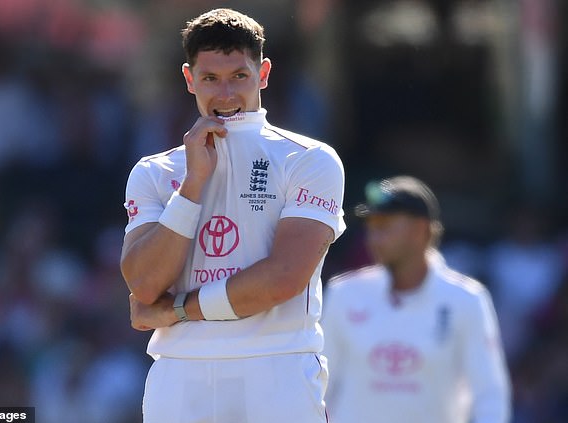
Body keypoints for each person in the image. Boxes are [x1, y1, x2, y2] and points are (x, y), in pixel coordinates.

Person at [120, 8, 345, 423]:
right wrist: (193, 186)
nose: (225, 94)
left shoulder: (309, 159)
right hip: (180, 369)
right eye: (210, 79)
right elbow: (145, 283)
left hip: (277, 363)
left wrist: (179, 310)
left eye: (238, 76)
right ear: (189, 79)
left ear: (263, 74)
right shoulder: (155, 171)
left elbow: (282, 280)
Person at [321, 176, 511, 423]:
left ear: (421, 230)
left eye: (385, 226)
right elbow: (319, 386)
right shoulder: (344, 293)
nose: (373, 237)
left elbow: (489, 395)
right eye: (371, 227)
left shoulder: (467, 300)